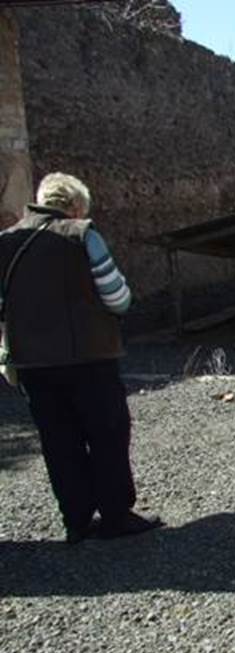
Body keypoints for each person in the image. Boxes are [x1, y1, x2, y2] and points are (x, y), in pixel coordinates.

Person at [0, 173, 162, 543]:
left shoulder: (6, 242)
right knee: (106, 434)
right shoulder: (81, 234)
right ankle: (116, 515)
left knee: (58, 440)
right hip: (88, 356)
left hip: (33, 363)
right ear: (75, 205)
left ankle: (75, 519)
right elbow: (116, 296)